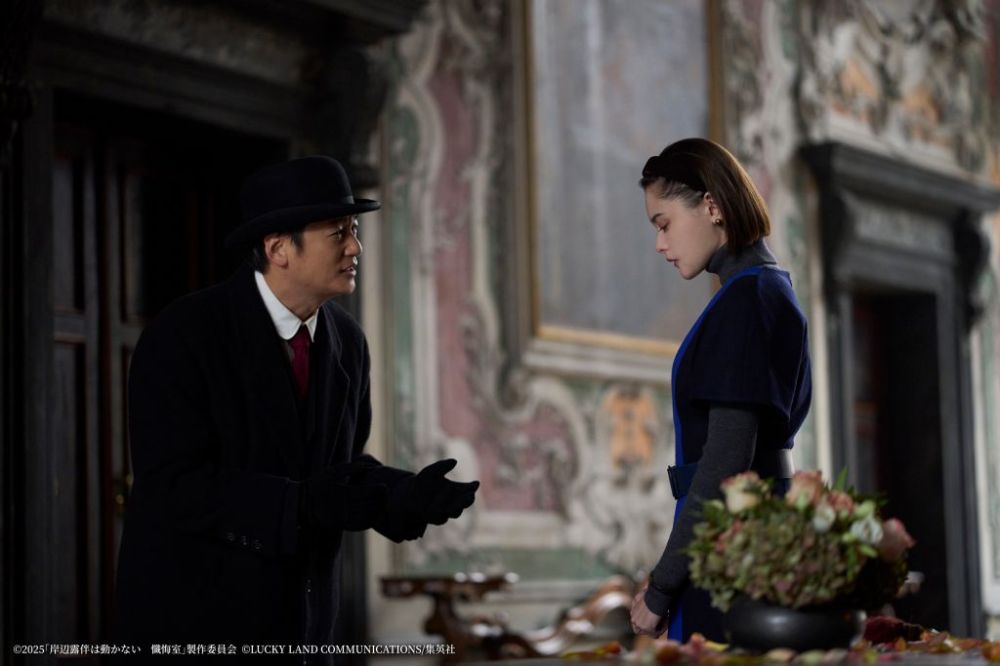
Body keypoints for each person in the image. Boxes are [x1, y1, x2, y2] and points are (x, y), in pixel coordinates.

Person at [114, 155, 479, 661]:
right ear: (278, 248)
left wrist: (404, 494)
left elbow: (342, 467)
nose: (355, 247)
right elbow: (175, 486)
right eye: (338, 233)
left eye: (354, 230)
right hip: (198, 625)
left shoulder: (348, 341)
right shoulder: (184, 333)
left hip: (305, 633)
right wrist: (300, 505)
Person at [628, 138, 812, 642]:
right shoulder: (766, 289)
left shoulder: (748, 298)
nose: (660, 244)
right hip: (749, 537)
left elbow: (725, 461)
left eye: (663, 224)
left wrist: (661, 587)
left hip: (732, 551)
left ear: (711, 205)